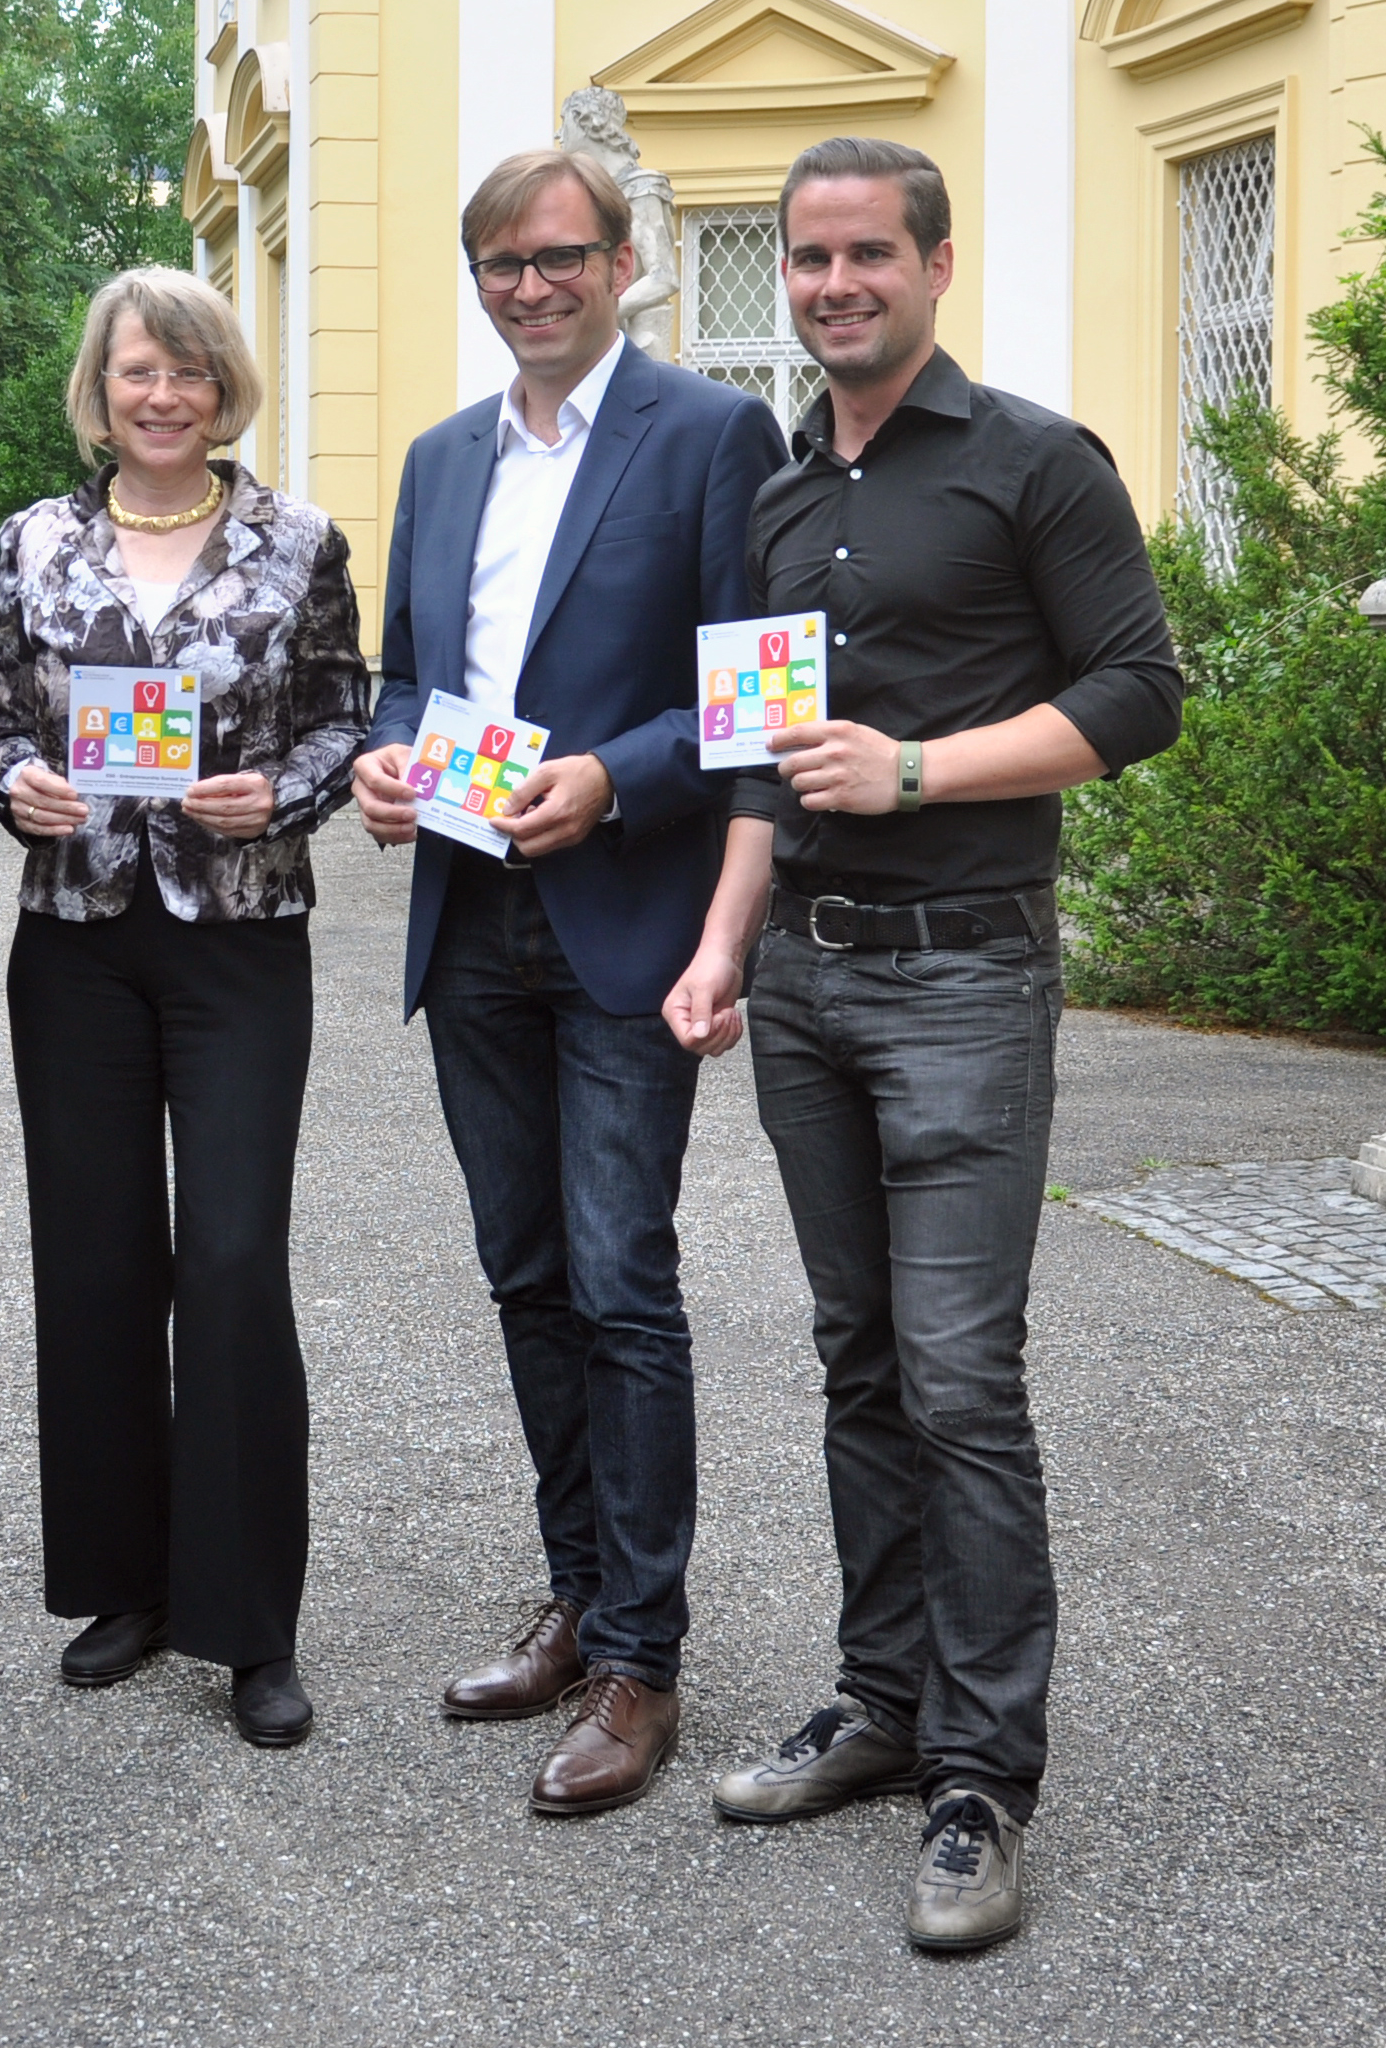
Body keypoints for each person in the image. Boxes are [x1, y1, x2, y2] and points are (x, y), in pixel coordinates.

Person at [666, 137, 1182, 1950]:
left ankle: (982, 1775)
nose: (830, 286)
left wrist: (917, 770)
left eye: (866, 253)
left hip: (965, 973)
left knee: (963, 1375)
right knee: (861, 1359)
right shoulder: (779, 496)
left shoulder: (1037, 462)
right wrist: (723, 949)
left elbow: (1140, 692)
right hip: (802, 979)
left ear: (935, 265)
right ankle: (882, 1703)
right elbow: (753, 753)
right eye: (804, 260)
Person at [350, 149, 787, 1813]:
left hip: (621, 916)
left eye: (557, 259)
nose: (528, 288)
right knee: (526, 1273)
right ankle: (577, 1594)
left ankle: (641, 1662)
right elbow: (408, 679)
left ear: (625, 262)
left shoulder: (710, 437)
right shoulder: (442, 456)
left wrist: (614, 777)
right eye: (499, 266)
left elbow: (750, 700)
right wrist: (392, 765)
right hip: (471, 917)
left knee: (622, 1280)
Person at [0, 268, 369, 1749]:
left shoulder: (298, 541)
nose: (164, 396)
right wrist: (13, 783)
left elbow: (350, 707)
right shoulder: (35, 540)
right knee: (92, 1266)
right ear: (103, 383)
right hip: (76, 936)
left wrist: (286, 788)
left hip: (238, 939)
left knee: (227, 1259)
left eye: (191, 373)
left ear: (225, 388)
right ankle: (125, 1585)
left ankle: (248, 1621)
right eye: (140, 371)